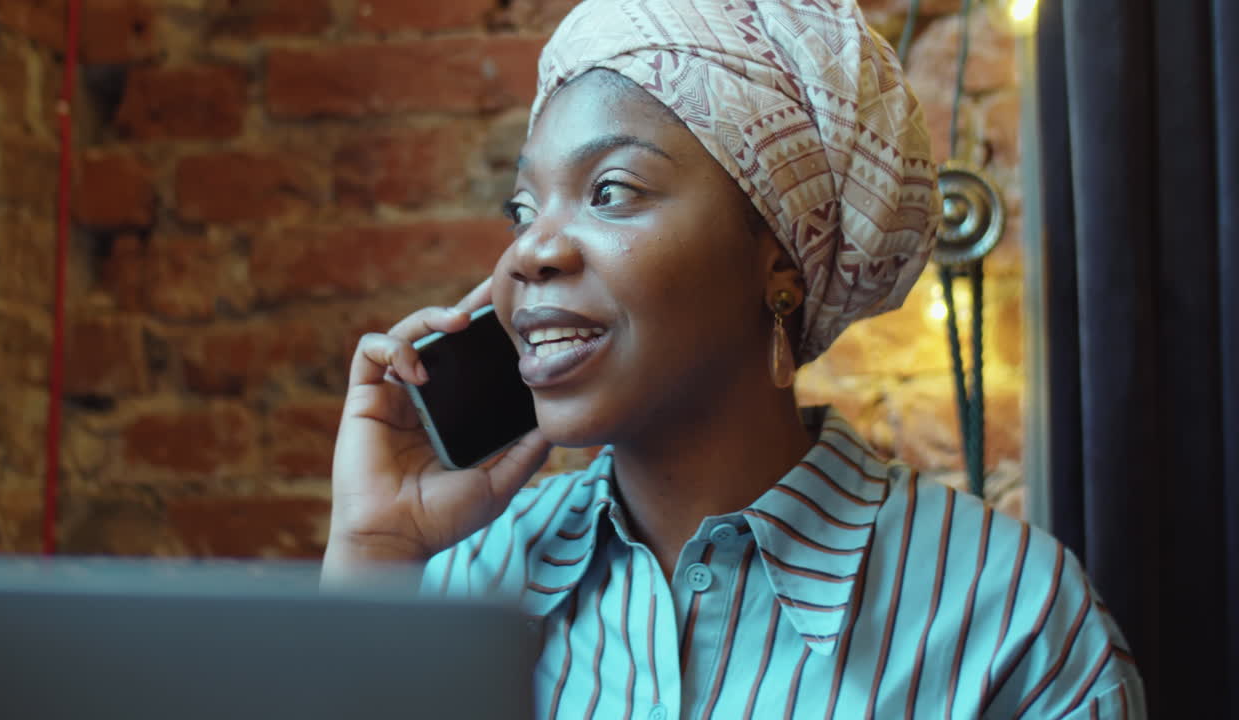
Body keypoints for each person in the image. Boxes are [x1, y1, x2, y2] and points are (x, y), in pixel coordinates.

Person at [320, 1, 1146, 717]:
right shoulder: (471, 578)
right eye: (524, 207)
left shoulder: (1013, 620)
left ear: (781, 259)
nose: (528, 253)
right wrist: (372, 548)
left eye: (611, 190)